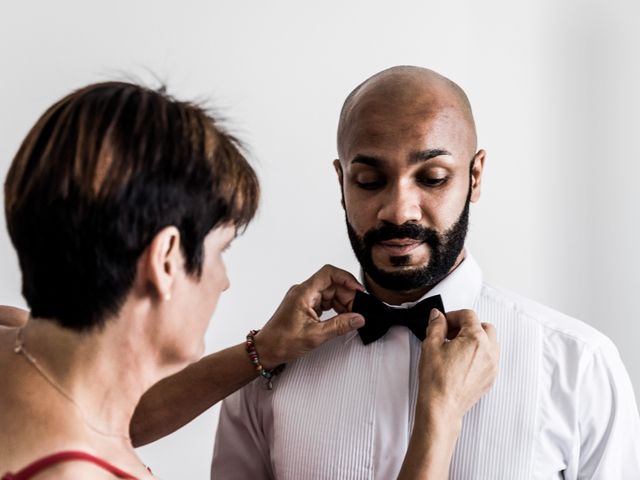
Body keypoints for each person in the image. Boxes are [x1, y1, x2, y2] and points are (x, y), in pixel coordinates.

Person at [0, 81, 498, 479]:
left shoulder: (18, 349)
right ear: (167, 258)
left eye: (431, 178)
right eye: (221, 251)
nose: (224, 282)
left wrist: (260, 351)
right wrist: (440, 419)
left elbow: (108, 412)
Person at [206, 66, 640, 479]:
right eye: (369, 180)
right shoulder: (266, 372)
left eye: (432, 178)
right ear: (341, 183)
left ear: (475, 176)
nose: (399, 210)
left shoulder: (578, 366)